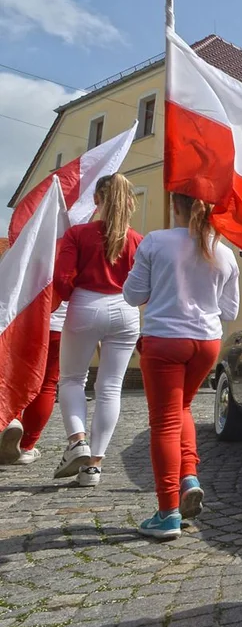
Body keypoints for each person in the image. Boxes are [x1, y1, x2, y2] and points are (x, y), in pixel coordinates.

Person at [123, 193, 239, 540]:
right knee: (183, 408)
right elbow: (229, 311)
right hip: (206, 343)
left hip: (165, 340)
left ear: (175, 204)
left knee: (164, 423)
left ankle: (167, 512)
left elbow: (132, 295)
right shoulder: (224, 252)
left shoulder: (156, 241)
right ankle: (188, 477)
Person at [52, 173, 143, 487]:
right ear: (129, 202)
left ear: (97, 200)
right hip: (125, 309)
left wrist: (66, 299)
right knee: (110, 388)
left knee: (72, 379)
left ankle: (77, 441)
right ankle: (94, 466)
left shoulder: (78, 234)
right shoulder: (137, 240)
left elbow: (62, 279)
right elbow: (145, 286)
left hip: (86, 304)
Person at [0, 304, 68, 465]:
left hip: (20, 317)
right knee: (47, 385)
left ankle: (11, 420)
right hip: (58, 324)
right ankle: (26, 446)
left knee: (10, 376)